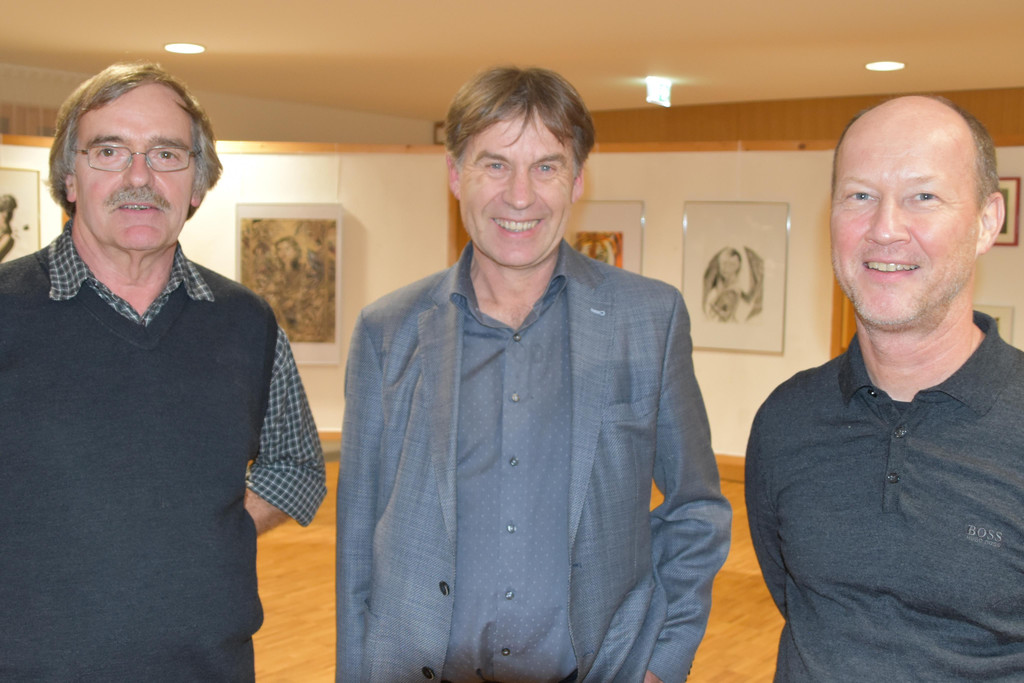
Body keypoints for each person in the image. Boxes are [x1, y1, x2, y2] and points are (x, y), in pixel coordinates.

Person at [337, 66, 730, 683]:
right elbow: (358, 540)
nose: (520, 196)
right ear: (454, 174)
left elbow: (696, 509)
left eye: (546, 167)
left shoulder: (649, 320)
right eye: (495, 164)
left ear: (578, 179)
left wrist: (662, 663)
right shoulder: (387, 331)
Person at [0, 62, 327, 680]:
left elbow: (296, 466)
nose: (139, 177)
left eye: (166, 154)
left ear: (196, 186)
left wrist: (201, 527)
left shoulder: (244, 320)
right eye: (110, 151)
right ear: (69, 177)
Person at [746, 95, 1023, 680]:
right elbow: (796, 599)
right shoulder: (787, 418)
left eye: (923, 197)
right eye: (860, 196)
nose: (885, 229)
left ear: (987, 221)